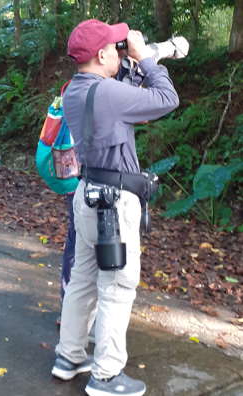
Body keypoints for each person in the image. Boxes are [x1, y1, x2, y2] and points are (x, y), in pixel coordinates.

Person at [51, 19, 179, 396]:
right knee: (116, 288)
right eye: (115, 47)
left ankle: (69, 357)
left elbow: (125, 97)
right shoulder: (106, 93)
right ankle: (106, 376)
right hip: (113, 204)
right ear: (104, 54)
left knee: (82, 280)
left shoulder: (76, 89)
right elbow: (167, 99)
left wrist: (134, 63)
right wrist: (145, 59)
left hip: (88, 194)